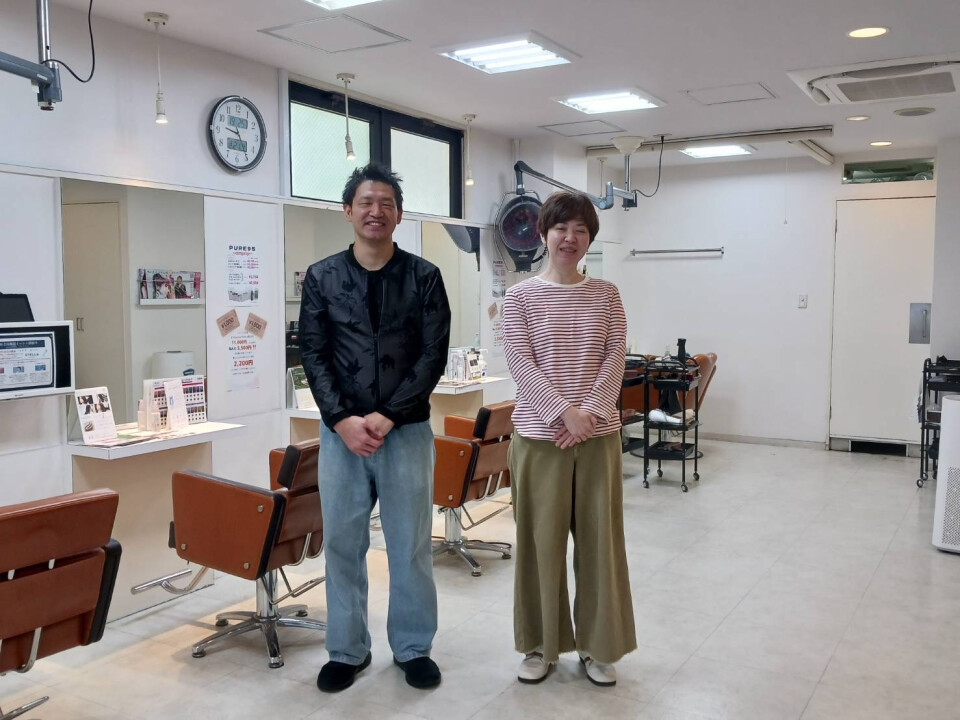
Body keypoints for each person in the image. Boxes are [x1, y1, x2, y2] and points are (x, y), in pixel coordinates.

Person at [299, 163, 451, 693]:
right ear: (348, 211)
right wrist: (341, 419)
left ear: (399, 215)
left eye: (386, 203)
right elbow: (313, 353)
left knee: (410, 545)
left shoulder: (424, 277)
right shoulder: (321, 277)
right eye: (366, 202)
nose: (375, 211)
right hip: (342, 437)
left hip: (405, 432)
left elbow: (433, 355)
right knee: (343, 545)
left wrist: (389, 414)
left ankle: (413, 647)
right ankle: (347, 649)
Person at [501, 191, 636, 687]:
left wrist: (590, 415)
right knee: (540, 546)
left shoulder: (607, 294)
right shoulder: (519, 297)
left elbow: (615, 357)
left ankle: (600, 647)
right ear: (543, 234)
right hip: (540, 441)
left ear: (589, 239)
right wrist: (564, 414)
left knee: (601, 545)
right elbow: (521, 363)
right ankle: (540, 646)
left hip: (597, 440)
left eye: (580, 230)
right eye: (561, 228)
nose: (570, 238)